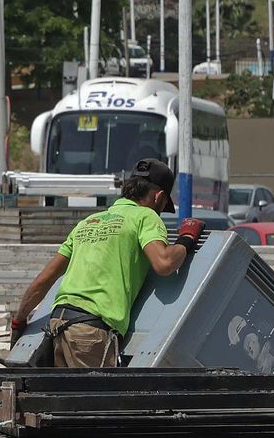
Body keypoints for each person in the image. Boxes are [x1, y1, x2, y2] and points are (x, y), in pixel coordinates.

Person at [11, 158, 203, 368]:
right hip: (91, 332)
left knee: (66, 389)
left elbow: (43, 280)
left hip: (58, 325)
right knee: (97, 390)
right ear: (159, 197)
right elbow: (164, 263)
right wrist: (187, 239)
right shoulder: (145, 217)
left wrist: (19, 321)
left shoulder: (88, 223)